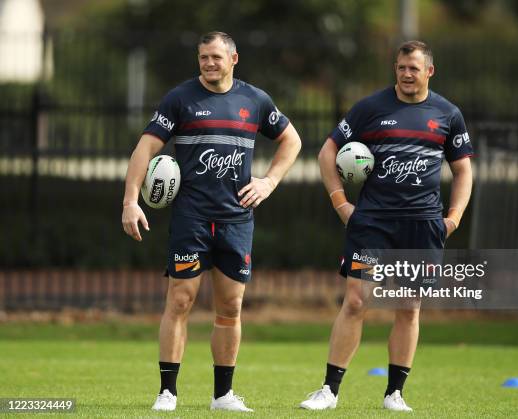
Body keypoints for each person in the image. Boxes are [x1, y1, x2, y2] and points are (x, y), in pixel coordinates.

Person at [121, 31, 301, 412]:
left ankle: (223, 396)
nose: (209, 64)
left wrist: (269, 181)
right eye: (203, 58)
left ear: (233, 59)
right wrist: (130, 201)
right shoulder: (180, 99)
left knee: (231, 307)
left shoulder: (254, 100)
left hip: (237, 220)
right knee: (180, 299)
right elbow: (145, 148)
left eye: (216, 57)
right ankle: (167, 392)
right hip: (192, 219)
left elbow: (292, 141)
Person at [299, 40, 473, 412]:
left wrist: (454, 217)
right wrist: (340, 202)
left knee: (409, 305)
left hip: (422, 226)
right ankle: (329, 390)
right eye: (400, 68)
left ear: (429, 71)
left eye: (413, 68)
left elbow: (463, 169)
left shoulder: (447, 114)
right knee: (357, 300)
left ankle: (395, 393)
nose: (406, 74)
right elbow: (328, 151)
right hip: (372, 223)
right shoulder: (371, 108)